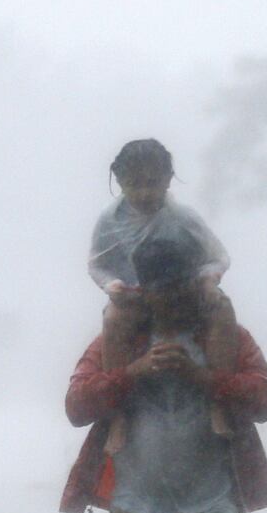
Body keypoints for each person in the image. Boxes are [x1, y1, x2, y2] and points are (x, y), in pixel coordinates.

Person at [61, 232, 267, 513]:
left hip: (210, 511)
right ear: (143, 290)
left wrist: (205, 378)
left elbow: (266, 401)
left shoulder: (228, 337)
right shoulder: (119, 341)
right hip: (134, 510)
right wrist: (134, 371)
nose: (174, 300)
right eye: (162, 290)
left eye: (182, 288)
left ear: (196, 285)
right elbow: (76, 406)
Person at [89, 139, 239, 453]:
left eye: (153, 183)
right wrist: (112, 287)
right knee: (112, 317)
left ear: (168, 179)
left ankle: (217, 403)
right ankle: (119, 416)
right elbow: (97, 264)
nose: (144, 193)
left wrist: (209, 282)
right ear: (119, 181)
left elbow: (218, 256)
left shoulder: (183, 217)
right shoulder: (110, 220)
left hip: (185, 294)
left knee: (222, 307)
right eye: (134, 184)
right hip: (137, 298)